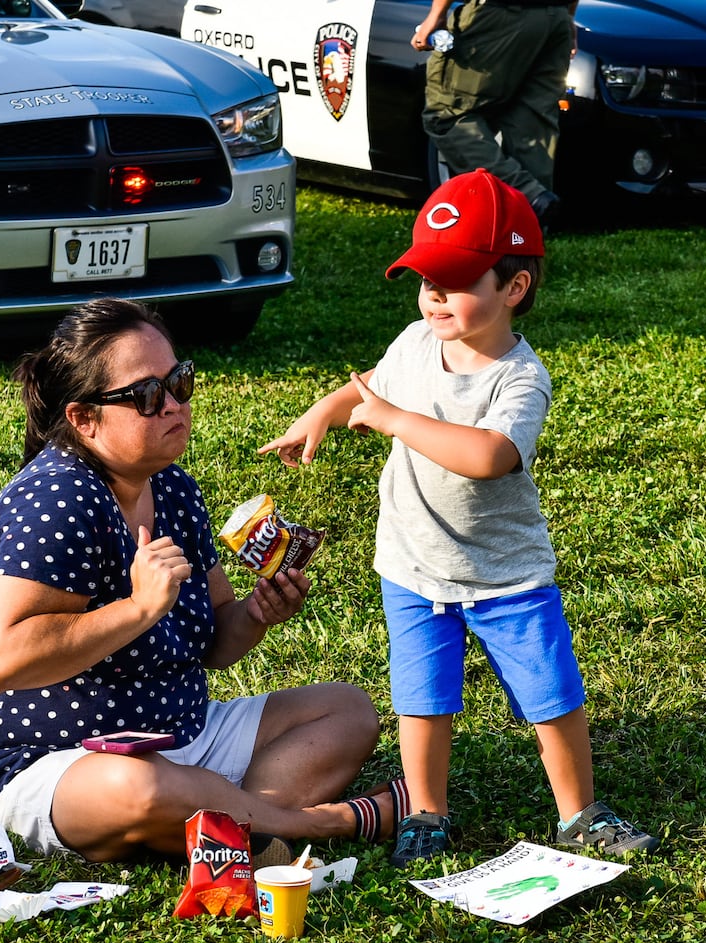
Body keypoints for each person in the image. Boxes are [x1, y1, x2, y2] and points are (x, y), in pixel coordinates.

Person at [259, 169, 658, 866]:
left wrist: (391, 419)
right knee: (422, 700)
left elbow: (490, 456)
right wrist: (322, 414)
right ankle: (427, 812)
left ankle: (579, 813)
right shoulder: (416, 342)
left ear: (514, 287)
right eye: (426, 279)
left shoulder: (519, 378)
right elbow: (367, 388)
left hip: (505, 576)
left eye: (458, 280)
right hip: (413, 569)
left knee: (550, 696)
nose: (435, 295)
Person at [0, 297, 408, 862]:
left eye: (178, 381)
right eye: (145, 395)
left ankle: (235, 829)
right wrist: (139, 608)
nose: (173, 405)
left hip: (178, 735)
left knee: (347, 711)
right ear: (83, 419)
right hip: (47, 762)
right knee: (138, 789)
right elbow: (0, 662)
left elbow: (213, 645)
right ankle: (322, 826)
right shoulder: (59, 499)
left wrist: (257, 614)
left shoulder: (173, 488)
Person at [413, 0, 577, 225]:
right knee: (531, 126)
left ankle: (527, 195)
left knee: (446, 115)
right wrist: (567, 17)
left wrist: (436, 15)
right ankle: (525, 242)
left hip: (498, 14)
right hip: (554, 17)